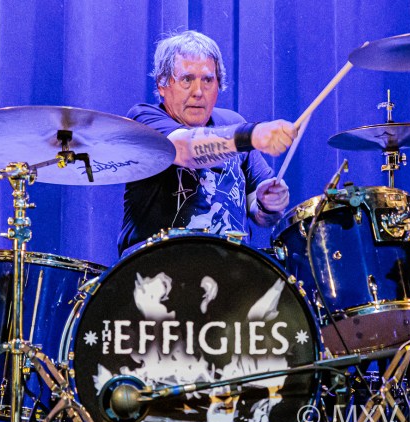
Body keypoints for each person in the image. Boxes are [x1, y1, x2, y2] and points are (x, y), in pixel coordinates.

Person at [118, 30, 297, 255]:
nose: (198, 92)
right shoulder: (144, 119)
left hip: (231, 267)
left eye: (208, 80)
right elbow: (184, 149)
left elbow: (260, 213)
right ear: (162, 85)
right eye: (187, 79)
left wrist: (269, 204)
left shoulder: (233, 122)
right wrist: (251, 135)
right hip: (157, 266)